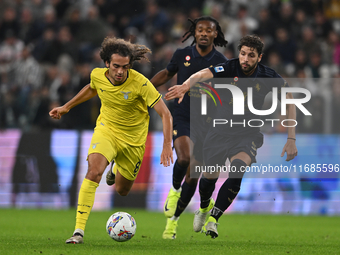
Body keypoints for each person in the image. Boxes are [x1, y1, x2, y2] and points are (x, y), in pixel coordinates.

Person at [165, 35, 298, 238]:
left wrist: (291, 138)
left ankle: (214, 219)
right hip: (218, 133)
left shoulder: (268, 76)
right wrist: (186, 85)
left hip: (247, 134)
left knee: (237, 170)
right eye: (243, 53)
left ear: (259, 57)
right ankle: (203, 208)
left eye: (251, 56)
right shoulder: (229, 67)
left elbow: (290, 97)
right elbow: (202, 74)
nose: (245, 59)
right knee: (209, 179)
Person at [49, 37, 173, 244]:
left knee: (123, 191)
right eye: (116, 66)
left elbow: (166, 114)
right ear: (107, 63)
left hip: (133, 142)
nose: (120, 72)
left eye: (125, 67)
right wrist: (66, 106)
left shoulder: (141, 83)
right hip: (107, 131)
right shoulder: (97, 75)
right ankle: (78, 231)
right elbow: (92, 87)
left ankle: (114, 168)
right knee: (94, 172)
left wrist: (167, 144)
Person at [150, 16, 228, 239]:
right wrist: (144, 86)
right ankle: (174, 191)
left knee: (193, 177)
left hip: (207, 122)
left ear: (215, 34)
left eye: (208, 31)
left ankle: (172, 223)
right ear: (194, 33)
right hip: (182, 116)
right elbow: (167, 73)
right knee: (184, 158)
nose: (203, 33)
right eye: (200, 30)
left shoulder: (220, 60)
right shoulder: (181, 54)